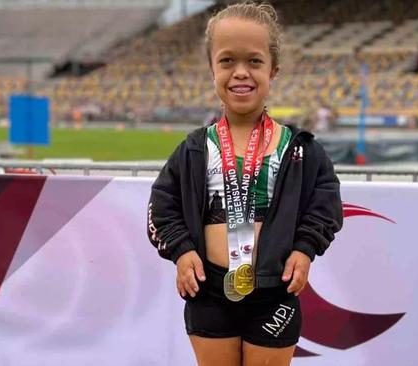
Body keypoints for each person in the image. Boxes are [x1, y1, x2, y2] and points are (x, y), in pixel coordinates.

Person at [147, 3, 343, 365]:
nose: (241, 73)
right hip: (208, 292)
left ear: (273, 71)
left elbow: (326, 203)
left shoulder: (299, 149)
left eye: (254, 61)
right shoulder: (194, 148)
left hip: (274, 293)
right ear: (212, 70)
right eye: (226, 61)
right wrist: (181, 250)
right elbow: (162, 204)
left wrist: (305, 248)